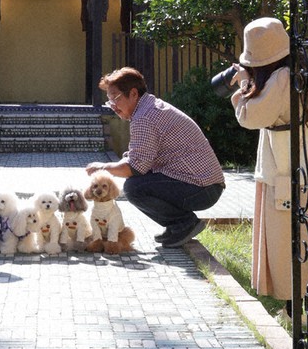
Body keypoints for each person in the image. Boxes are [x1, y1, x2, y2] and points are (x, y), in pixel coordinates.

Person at [229, 17, 308, 322]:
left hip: (288, 177)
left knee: (288, 245)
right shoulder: (307, 72)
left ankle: (296, 314)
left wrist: (243, 85)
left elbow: (250, 117)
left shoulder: (279, 79)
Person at [85, 67, 225, 248]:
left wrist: (102, 168)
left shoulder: (144, 117)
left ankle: (184, 223)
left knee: (135, 188)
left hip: (202, 189)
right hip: (206, 186)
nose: (112, 106)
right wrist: (108, 167)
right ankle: (178, 226)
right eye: (109, 100)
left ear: (133, 94)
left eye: (115, 98)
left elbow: (135, 167)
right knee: (139, 183)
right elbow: (136, 158)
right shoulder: (149, 108)